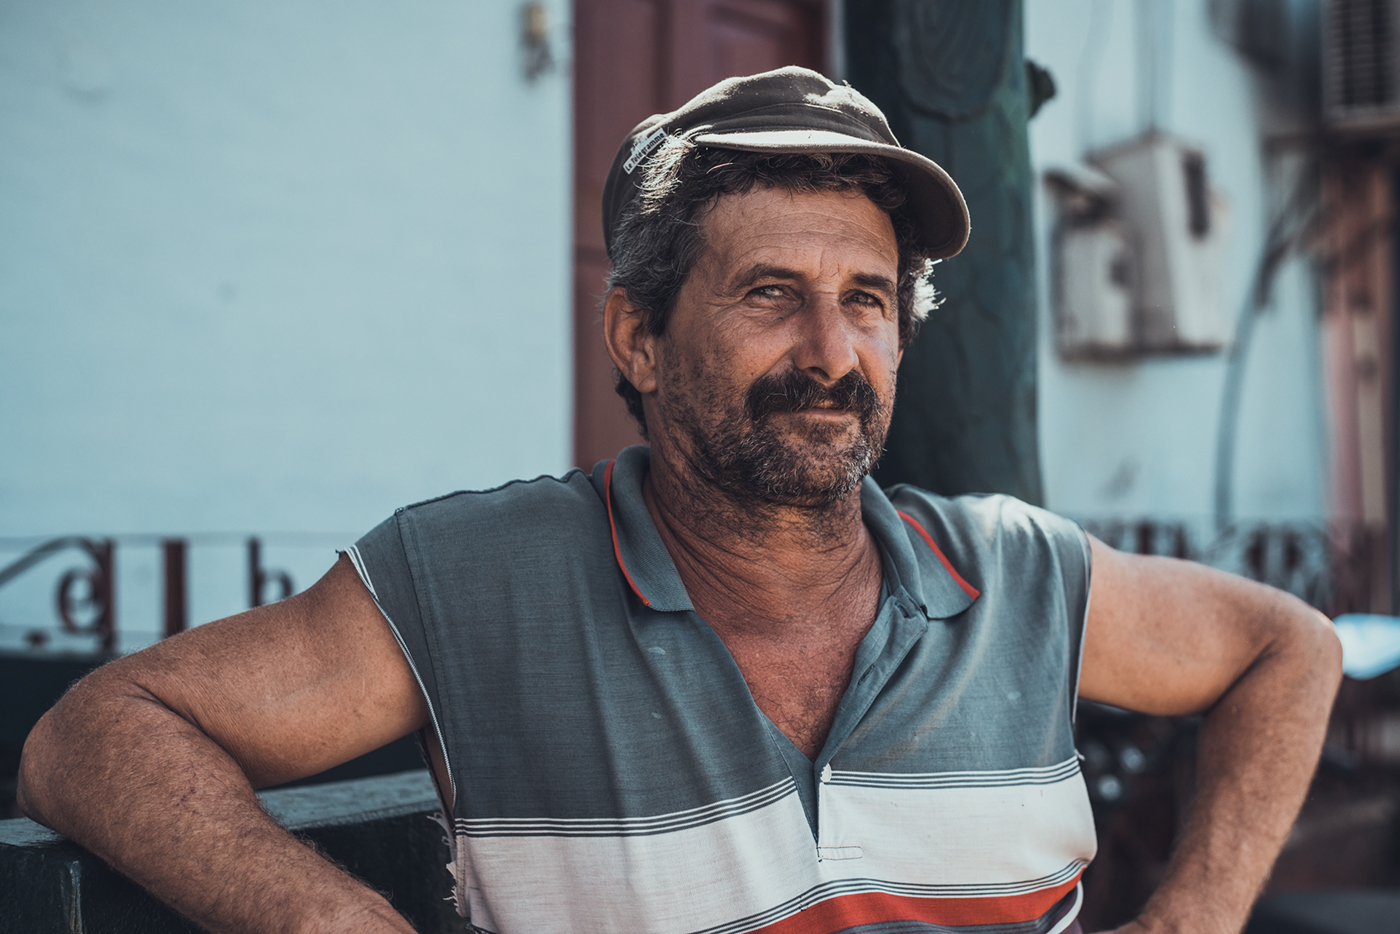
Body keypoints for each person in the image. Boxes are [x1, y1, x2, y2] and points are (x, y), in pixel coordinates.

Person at [19, 67, 1340, 934]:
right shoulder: (482, 579)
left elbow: (1294, 644)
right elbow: (92, 735)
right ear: (640, 338)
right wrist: (340, 923)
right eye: (772, 294)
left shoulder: (1020, 572)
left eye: (867, 301)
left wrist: (1193, 916)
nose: (831, 353)